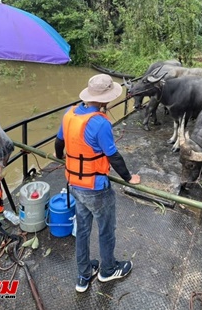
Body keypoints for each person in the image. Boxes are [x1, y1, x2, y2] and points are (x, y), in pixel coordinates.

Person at [54, 74, 141, 293]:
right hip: (96, 188)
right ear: (105, 100)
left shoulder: (70, 113)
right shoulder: (100, 123)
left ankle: (83, 275)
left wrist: (62, 159)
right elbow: (113, 156)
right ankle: (107, 270)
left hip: (74, 183)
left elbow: (58, 143)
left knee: (82, 229)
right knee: (106, 229)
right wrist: (129, 178)